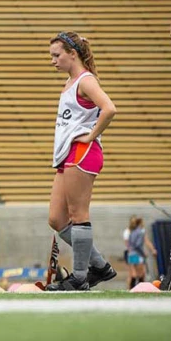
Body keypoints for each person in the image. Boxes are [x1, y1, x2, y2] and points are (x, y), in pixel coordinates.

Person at [46, 32, 118, 291]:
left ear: (72, 54)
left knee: (78, 215)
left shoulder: (86, 81)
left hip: (82, 151)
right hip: (67, 153)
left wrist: (92, 135)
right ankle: (99, 266)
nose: (53, 61)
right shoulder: (70, 81)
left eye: (57, 55)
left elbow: (109, 108)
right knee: (56, 219)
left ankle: (78, 278)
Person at [125, 216, 157, 289]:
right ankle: (139, 288)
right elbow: (138, 245)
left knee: (133, 273)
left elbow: (129, 244)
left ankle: (131, 289)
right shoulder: (140, 232)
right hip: (137, 254)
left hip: (131, 254)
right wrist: (143, 254)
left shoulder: (131, 231)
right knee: (141, 273)